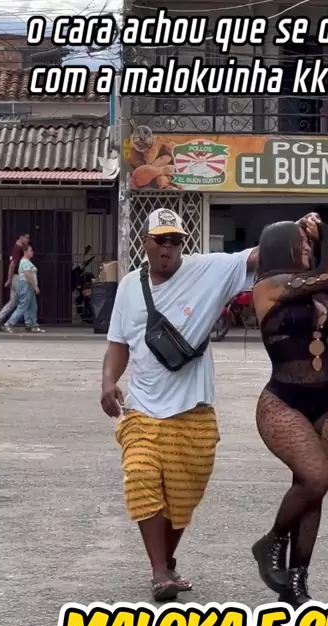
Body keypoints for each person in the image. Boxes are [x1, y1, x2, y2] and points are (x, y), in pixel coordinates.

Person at [101, 207, 260, 601]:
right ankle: (159, 570)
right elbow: (118, 342)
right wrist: (108, 381)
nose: (168, 248)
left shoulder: (207, 270)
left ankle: (166, 562)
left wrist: (296, 230)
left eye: (175, 241)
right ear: (145, 243)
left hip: (194, 411)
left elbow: (255, 256)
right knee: (140, 477)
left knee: (182, 496)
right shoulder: (129, 287)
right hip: (142, 409)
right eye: (161, 240)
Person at [251, 214, 328, 609]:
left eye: (308, 246)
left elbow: (324, 279)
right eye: (301, 245)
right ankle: (271, 542)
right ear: (281, 250)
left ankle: (296, 583)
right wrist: (325, 233)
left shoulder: (308, 291)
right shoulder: (268, 287)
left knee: (313, 491)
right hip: (282, 400)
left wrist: (317, 240)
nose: (307, 249)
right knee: (317, 476)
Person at [0, 232, 30, 330]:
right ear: (21, 237)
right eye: (26, 238)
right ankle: (29, 323)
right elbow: (12, 265)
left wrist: (10, 279)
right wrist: (9, 279)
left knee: (13, 301)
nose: (28, 240)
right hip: (18, 277)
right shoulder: (17, 249)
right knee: (25, 300)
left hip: (16, 277)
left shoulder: (17, 248)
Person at [4, 246, 43, 333]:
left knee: (33, 306)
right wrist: (35, 286)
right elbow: (27, 275)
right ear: (25, 252)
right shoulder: (25, 262)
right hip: (26, 285)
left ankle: (32, 324)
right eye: (30, 250)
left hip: (29, 286)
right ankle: (9, 323)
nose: (32, 252)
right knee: (23, 305)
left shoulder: (27, 262)